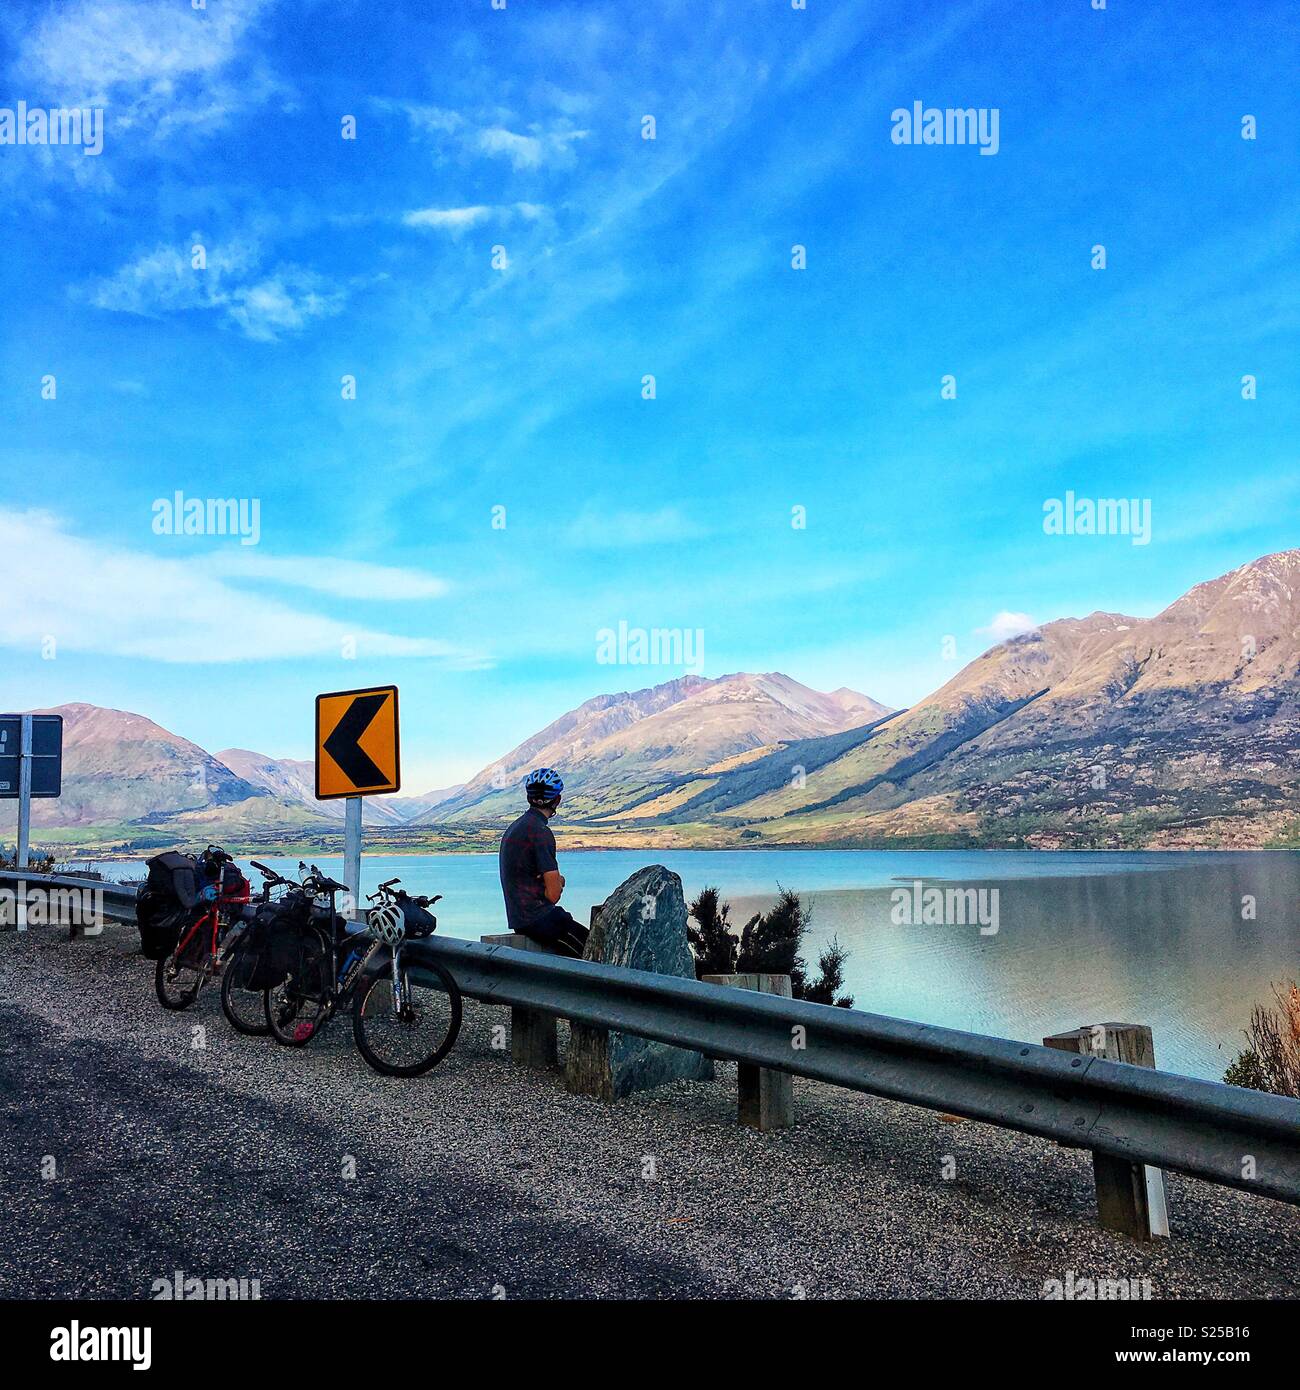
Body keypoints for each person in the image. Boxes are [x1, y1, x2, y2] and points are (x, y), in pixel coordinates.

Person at [498, 768, 589, 958]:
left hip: (520, 919)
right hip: (540, 920)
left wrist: (552, 881)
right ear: (557, 799)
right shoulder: (540, 832)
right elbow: (554, 894)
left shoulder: (518, 826)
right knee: (595, 953)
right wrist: (558, 882)